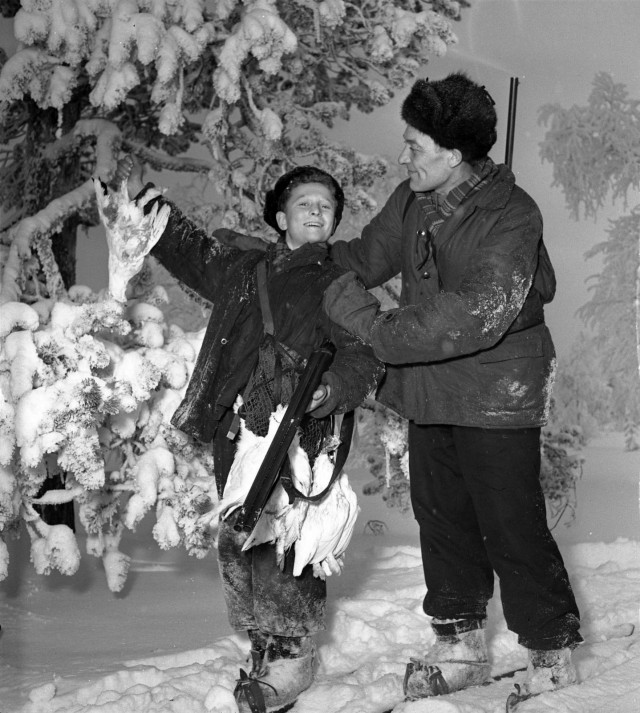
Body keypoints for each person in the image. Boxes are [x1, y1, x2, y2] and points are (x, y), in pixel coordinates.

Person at [322, 72, 583, 702]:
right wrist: (300, 264)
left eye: (414, 144)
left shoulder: (511, 215)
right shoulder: (411, 200)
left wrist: (371, 326)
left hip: (497, 389)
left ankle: (549, 649)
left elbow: (474, 313)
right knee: (440, 515)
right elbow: (361, 258)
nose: (403, 155)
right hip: (429, 385)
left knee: (509, 520)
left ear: (453, 153)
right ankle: (459, 640)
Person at [104, 161, 383, 711]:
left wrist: (329, 391)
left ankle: (293, 654)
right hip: (239, 425)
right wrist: (148, 201)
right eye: (304, 202)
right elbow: (191, 254)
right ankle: (264, 644)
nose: (315, 210)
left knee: (287, 541)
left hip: (300, 429)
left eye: (325, 206)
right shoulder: (244, 268)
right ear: (281, 216)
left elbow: (366, 354)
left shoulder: (338, 284)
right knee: (241, 537)